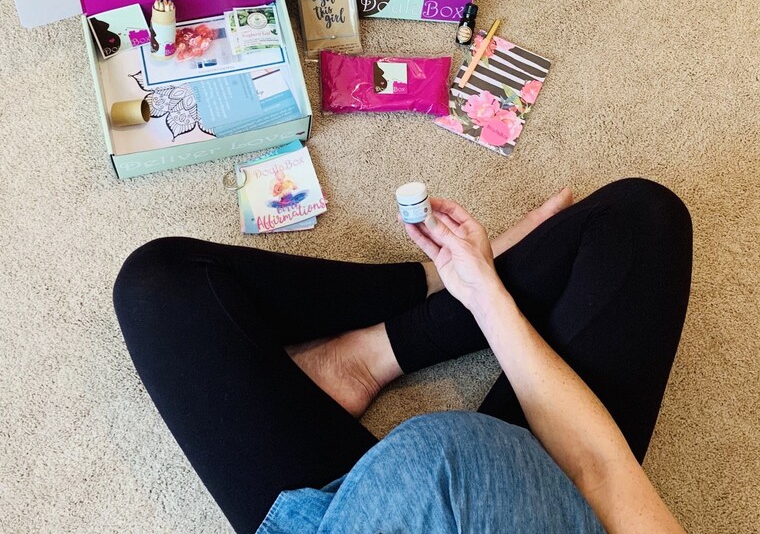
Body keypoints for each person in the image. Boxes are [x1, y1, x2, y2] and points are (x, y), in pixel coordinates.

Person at [113, 178, 692, 533]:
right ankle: (405, 316)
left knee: (159, 291)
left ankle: (383, 341)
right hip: (546, 483)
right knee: (640, 220)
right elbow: (601, 473)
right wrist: (482, 293)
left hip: (321, 517)